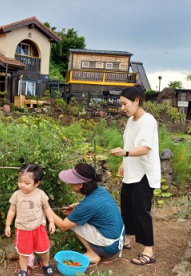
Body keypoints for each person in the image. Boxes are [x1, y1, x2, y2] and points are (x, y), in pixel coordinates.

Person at [109, 85, 161, 266]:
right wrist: (124, 162)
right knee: (127, 206)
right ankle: (127, 239)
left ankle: (148, 251)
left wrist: (124, 154)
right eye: (121, 104)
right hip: (132, 171)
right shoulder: (131, 121)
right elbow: (129, 143)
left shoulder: (148, 121)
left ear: (137, 101)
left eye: (125, 104)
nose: (122, 108)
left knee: (141, 211)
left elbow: (145, 148)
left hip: (144, 174)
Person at [52, 163, 125, 264]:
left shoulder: (88, 205)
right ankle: (95, 248)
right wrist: (78, 206)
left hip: (110, 247)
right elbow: (96, 206)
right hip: (118, 238)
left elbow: (63, 226)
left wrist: (46, 209)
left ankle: (92, 253)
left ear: (80, 184)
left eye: (71, 182)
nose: (70, 184)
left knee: (72, 224)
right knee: (76, 218)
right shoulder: (100, 191)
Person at [5, 163, 55, 276]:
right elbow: (12, 210)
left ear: (37, 183)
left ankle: (45, 263)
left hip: (38, 227)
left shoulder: (40, 194)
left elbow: (47, 209)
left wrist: (51, 222)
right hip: (22, 229)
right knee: (23, 252)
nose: (22, 185)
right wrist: (7, 225)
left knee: (44, 249)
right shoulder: (17, 195)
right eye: (20, 181)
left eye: (27, 183)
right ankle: (23, 270)